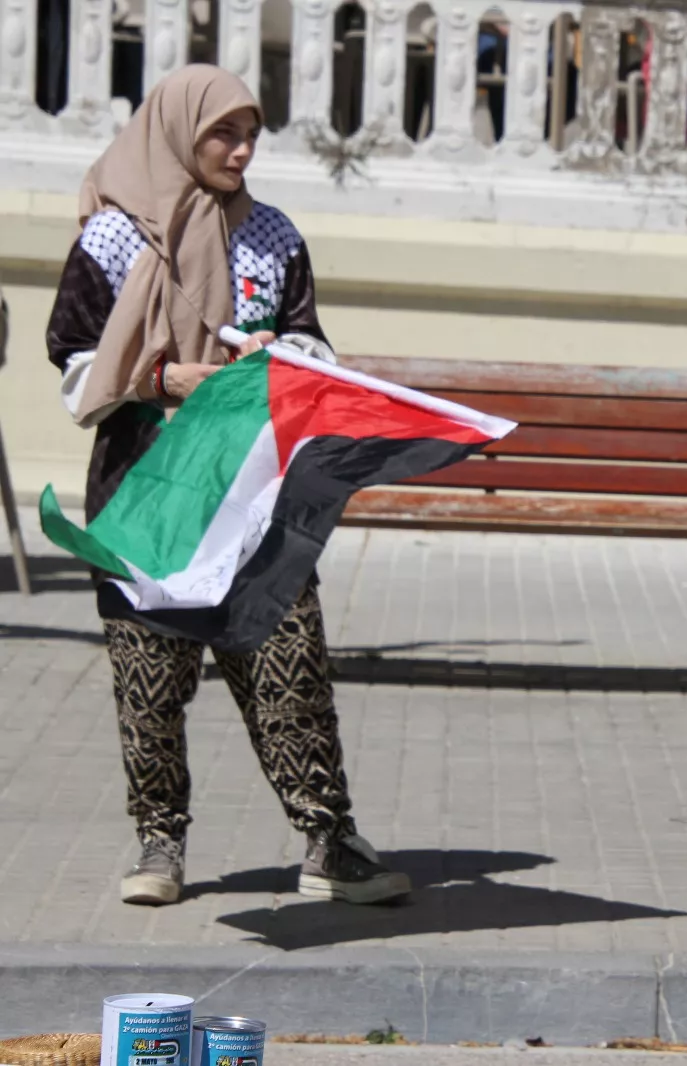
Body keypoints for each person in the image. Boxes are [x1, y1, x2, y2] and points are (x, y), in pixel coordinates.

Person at [45, 65, 411, 908]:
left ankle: (329, 842)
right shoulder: (112, 240)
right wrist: (163, 378)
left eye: (252, 134)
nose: (243, 151)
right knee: (150, 678)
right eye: (224, 134)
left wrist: (275, 360)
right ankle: (158, 842)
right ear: (177, 131)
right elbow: (72, 363)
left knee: (290, 667)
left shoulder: (273, 236)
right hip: (147, 493)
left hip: (253, 497)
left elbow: (312, 343)